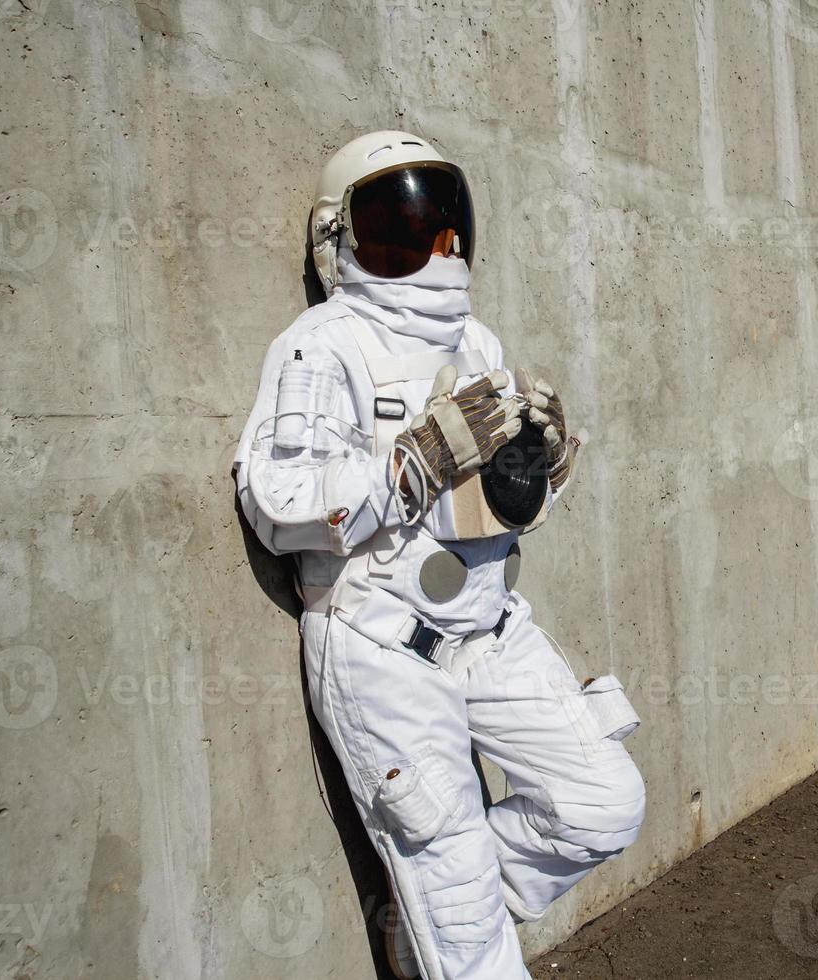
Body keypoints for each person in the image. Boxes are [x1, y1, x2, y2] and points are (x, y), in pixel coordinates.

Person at [233, 131, 645, 980]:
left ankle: (435, 929)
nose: (438, 248)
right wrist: (408, 464)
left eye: (445, 224)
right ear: (337, 236)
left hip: (489, 629)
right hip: (386, 644)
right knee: (457, 910)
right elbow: (276, 500)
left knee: (604, 806)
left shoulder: (477, 344)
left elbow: (488, 507)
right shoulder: (322, 342)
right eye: (405, 224)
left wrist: (543, 471)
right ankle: (448, 930)